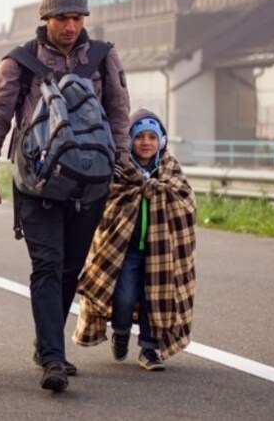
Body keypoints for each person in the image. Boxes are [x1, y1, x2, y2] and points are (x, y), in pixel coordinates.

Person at [0, 0, 131, 392]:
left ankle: (46, 346)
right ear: (47, 18)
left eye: (77, 17)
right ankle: (55, 359)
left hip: (90, 183)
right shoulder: (19, 63)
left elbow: (118, 114)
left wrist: (121, 165)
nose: (70, 25)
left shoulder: (103, 59)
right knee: (46, 265)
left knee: (69, 268)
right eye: (63, 17)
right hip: (36, 182)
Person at [73, 109, 196, 371]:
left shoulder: (170, 168)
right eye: (140, 136)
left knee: (156, 298)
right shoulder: (120, 169)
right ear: (129, 140)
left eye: (153, 136)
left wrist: (156, 193)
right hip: (125, 251)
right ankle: (120, 330)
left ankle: (150, 350)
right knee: (125, 297)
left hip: (160, 252)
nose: (146, 142)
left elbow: (185, 201)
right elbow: (107, 203)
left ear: (161, 141)